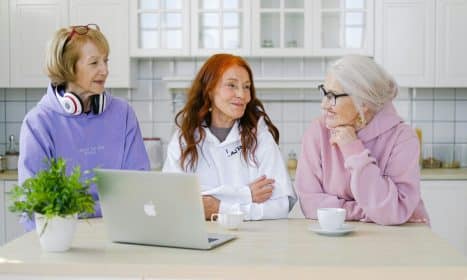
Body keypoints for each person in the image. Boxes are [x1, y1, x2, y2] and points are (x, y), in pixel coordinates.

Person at [18, 24, 150, 229]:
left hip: (119, 233)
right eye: (94, 63)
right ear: (68, 68)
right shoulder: (38, 123)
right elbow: (35, 206)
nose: (104, 70)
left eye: (105, 61)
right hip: (61, 238)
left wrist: (76, 210)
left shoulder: (122, 113)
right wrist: (106, 208)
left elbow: (139, 189)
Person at [295, 55, 429, 226]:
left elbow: (394, 211)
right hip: (337, 238)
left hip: (398, 239)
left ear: (363, 102)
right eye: (324, 92)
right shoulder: (318, 131)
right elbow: (310, 204)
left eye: (332, 96)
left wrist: (353, 149)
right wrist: (368, 212)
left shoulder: (402, 138)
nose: (324, 104)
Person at [163, 53, 296, 220]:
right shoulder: (184, 139)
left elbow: (280, 207)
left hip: (254, 243)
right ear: (209, 90)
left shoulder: (260, 138)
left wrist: (219, 208)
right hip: (201, 239)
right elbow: (175, 201)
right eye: (232, 85)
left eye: (247, 86)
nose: (242, 94)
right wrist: (246, 194)